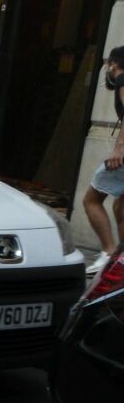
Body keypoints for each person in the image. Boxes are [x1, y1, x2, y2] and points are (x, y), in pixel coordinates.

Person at [83, 46, 124, 275]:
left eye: (108, 64)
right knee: (121, 204)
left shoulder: (122, 80)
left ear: (114, 64)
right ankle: (121, 259)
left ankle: (108, 253)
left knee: (91, 199)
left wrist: (119, 150)